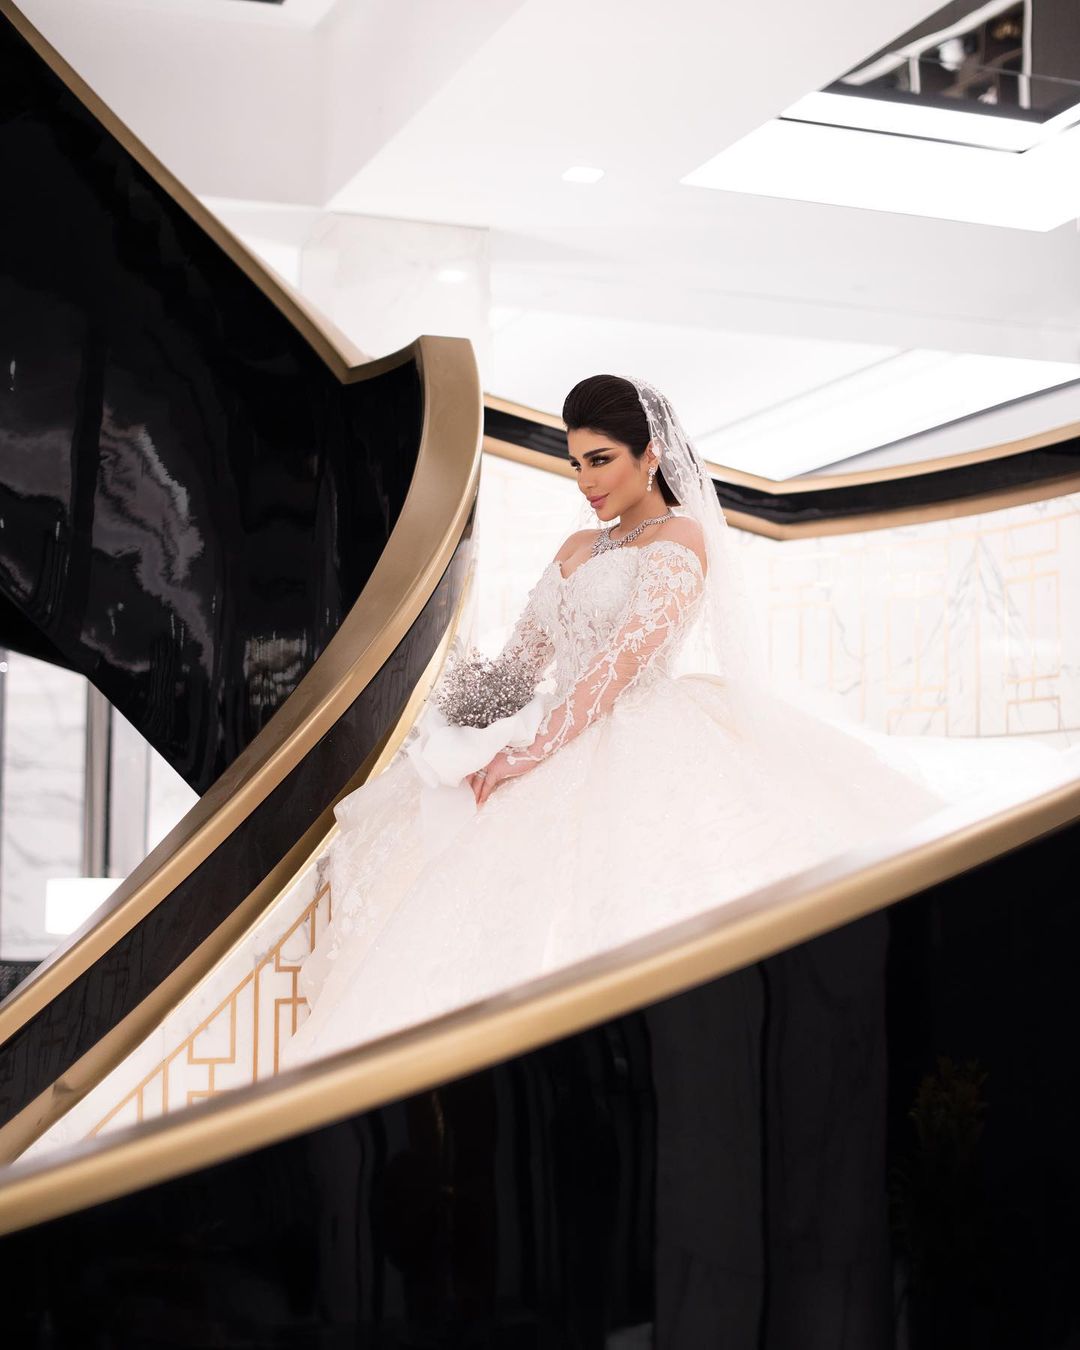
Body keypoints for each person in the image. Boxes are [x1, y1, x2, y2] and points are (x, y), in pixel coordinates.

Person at [280, 374, 943, 1069]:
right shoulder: (576, 546)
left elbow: (619, 665)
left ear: (650, 453)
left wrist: (529, 753)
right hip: (552, 723)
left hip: (636, 735)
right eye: (575, 463)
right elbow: (519, 663)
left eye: (600, 460)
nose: (585, 481)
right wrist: (462, 729)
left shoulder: (682, 539)